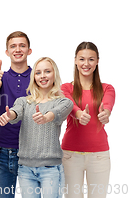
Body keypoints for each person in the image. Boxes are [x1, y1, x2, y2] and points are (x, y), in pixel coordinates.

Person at [0, 57, 73, 198]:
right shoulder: (24, 101)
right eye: (38, 73)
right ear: (34, 77)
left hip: (51, 169)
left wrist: (46, 117)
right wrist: (10, 115)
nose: (43, 76)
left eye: (47, 71)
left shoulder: (63, 101)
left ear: (54, 75)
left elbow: (57, 113)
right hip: (26, 169)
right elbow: (17, 111)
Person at [61, 42, 115, 198]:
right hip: (70, 155)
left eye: (91, 59)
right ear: (75, 61)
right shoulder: (65, 88)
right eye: (82, 59)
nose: (86, 64)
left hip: (99, 156)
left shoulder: (107, 88)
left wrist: (106, 112)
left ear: (97, 61)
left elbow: (108, 103)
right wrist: (78, 114)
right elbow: (68, 104)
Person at [0, 31, 32, 198]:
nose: (18, 49)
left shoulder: (39, 77)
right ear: (7, 52)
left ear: (29, 50)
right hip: (3, 152)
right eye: (13, 46)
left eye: (22, 45)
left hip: (31, 152)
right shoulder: (1, 77)